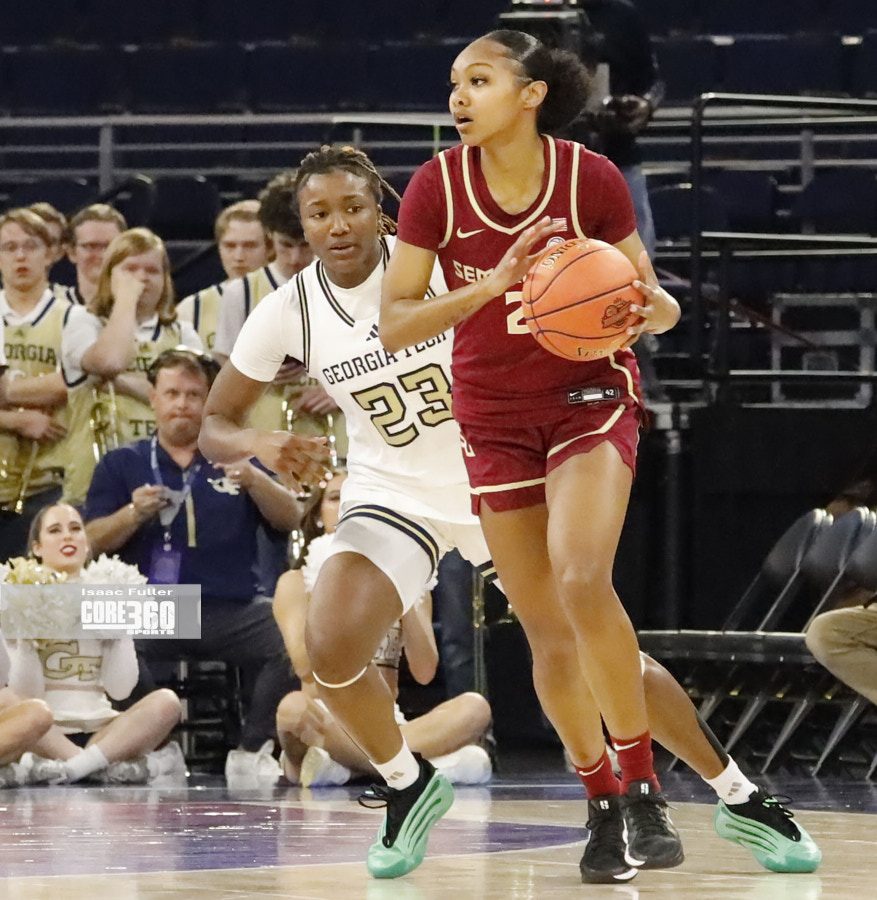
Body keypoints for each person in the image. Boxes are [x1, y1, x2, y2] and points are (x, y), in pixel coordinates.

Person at [198, 144, 820, 880]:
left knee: (593, 650)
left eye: (353, 207)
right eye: (318, 213)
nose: (337, 225)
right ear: (300, 226)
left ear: (383, 213)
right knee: (331, 647)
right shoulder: (289, 310)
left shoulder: (437, 267)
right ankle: (407, 784)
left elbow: (558, 313)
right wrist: (262, 442)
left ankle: (738, 794)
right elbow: (215, 423)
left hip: (497, 472)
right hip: (395, 491)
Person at [379, 30, 684, 884]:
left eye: (478, 80)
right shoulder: (437, 187)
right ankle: (599, 802)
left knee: (582, 578)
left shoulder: (590, 178)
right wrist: (488, 284)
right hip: (493, 414)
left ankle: (642, 785)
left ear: (531, 93)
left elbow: (651, 299)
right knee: (545, 628)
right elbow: (395, 323)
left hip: (588, 394)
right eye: (453, 82)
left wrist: (651, 310)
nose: (458, 96)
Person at [82, 348, 302, 781]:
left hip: (230, 606)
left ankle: (252, 749)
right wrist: (132, 514)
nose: (182, 404)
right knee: (98, 623)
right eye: (172, 393)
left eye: (193, 394)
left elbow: (291, 518)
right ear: (153, 398)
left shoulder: (237, 457)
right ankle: (157, 747)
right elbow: (89, 541)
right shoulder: (122, 462)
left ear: (208, 401)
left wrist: (256, 481)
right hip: (155, 607)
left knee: (296, 636)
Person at [274, 470, 492, 788]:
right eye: (335, 498)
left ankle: (350, 768)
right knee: (292, 711)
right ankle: (415, 769)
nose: (346, 505)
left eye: (355, 497)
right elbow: (305, 668)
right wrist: (329, 589)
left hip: (387, 724)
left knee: (475, 707)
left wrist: (406, 592)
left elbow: (424, 670)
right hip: (327, 719)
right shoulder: (293, 583)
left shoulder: (410, 582)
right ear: (318, 516)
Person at [2, 502, 184, 786]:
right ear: (37, 548)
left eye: (76, 529)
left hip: (102, 731)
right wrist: (26, 637)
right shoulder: (17, 594)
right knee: (13, 702)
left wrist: (120, 632)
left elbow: (120, 689)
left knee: (167, 703)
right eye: (55, 530)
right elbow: (27, 693)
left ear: (86, 543)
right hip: (44, 734)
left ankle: (74, 767)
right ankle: (92, 765)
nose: (68, 536)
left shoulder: (107, 590)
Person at [60, 227, 202, 506]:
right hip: (93, 487)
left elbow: (197, 398)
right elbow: (111, 361)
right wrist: (125, 300)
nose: (141, 278)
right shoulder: (83, 322)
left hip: (169, 485)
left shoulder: (183, 333)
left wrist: (121, 382)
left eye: (152, 270)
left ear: (165, 279)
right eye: (130, 269)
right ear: (109, 275)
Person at [0, 208, 71, 560]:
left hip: (47, 484)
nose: (20, 256)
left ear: (51, 253)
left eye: (30, 246)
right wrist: (16, 420)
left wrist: (8, 392)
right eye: (9, 247)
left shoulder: (73, 315)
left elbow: (70, 383)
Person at [176, 200, 271, 352]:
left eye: (250, 246)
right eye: (230, 246)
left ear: (271, 248)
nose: (238, 257)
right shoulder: (192, 308)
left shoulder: (291, 299)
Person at [61, 204, 128, 307]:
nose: (103, 255)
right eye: (92, 246)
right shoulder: (50, 309)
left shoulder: (143, 308)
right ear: (72, 252)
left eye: (111, 246)